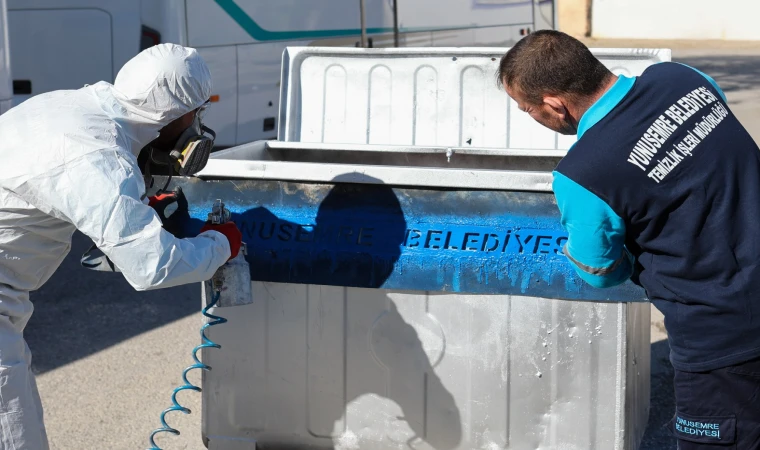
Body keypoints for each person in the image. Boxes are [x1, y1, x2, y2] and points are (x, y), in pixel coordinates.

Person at [498, 30, 760, 449]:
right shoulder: (682, 78)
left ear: (555, 105)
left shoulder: (581, 175)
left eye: (527, 109)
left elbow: (601, 272)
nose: (531, 115)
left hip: (720, 340)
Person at [0, 44, 242, 448]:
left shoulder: (72, 108)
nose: (195, 128)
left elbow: (59, 191)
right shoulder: (99, 156)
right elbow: (153, 266)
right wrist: (221, 243)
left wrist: (137, 210)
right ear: (176, 112)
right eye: (196, 115)